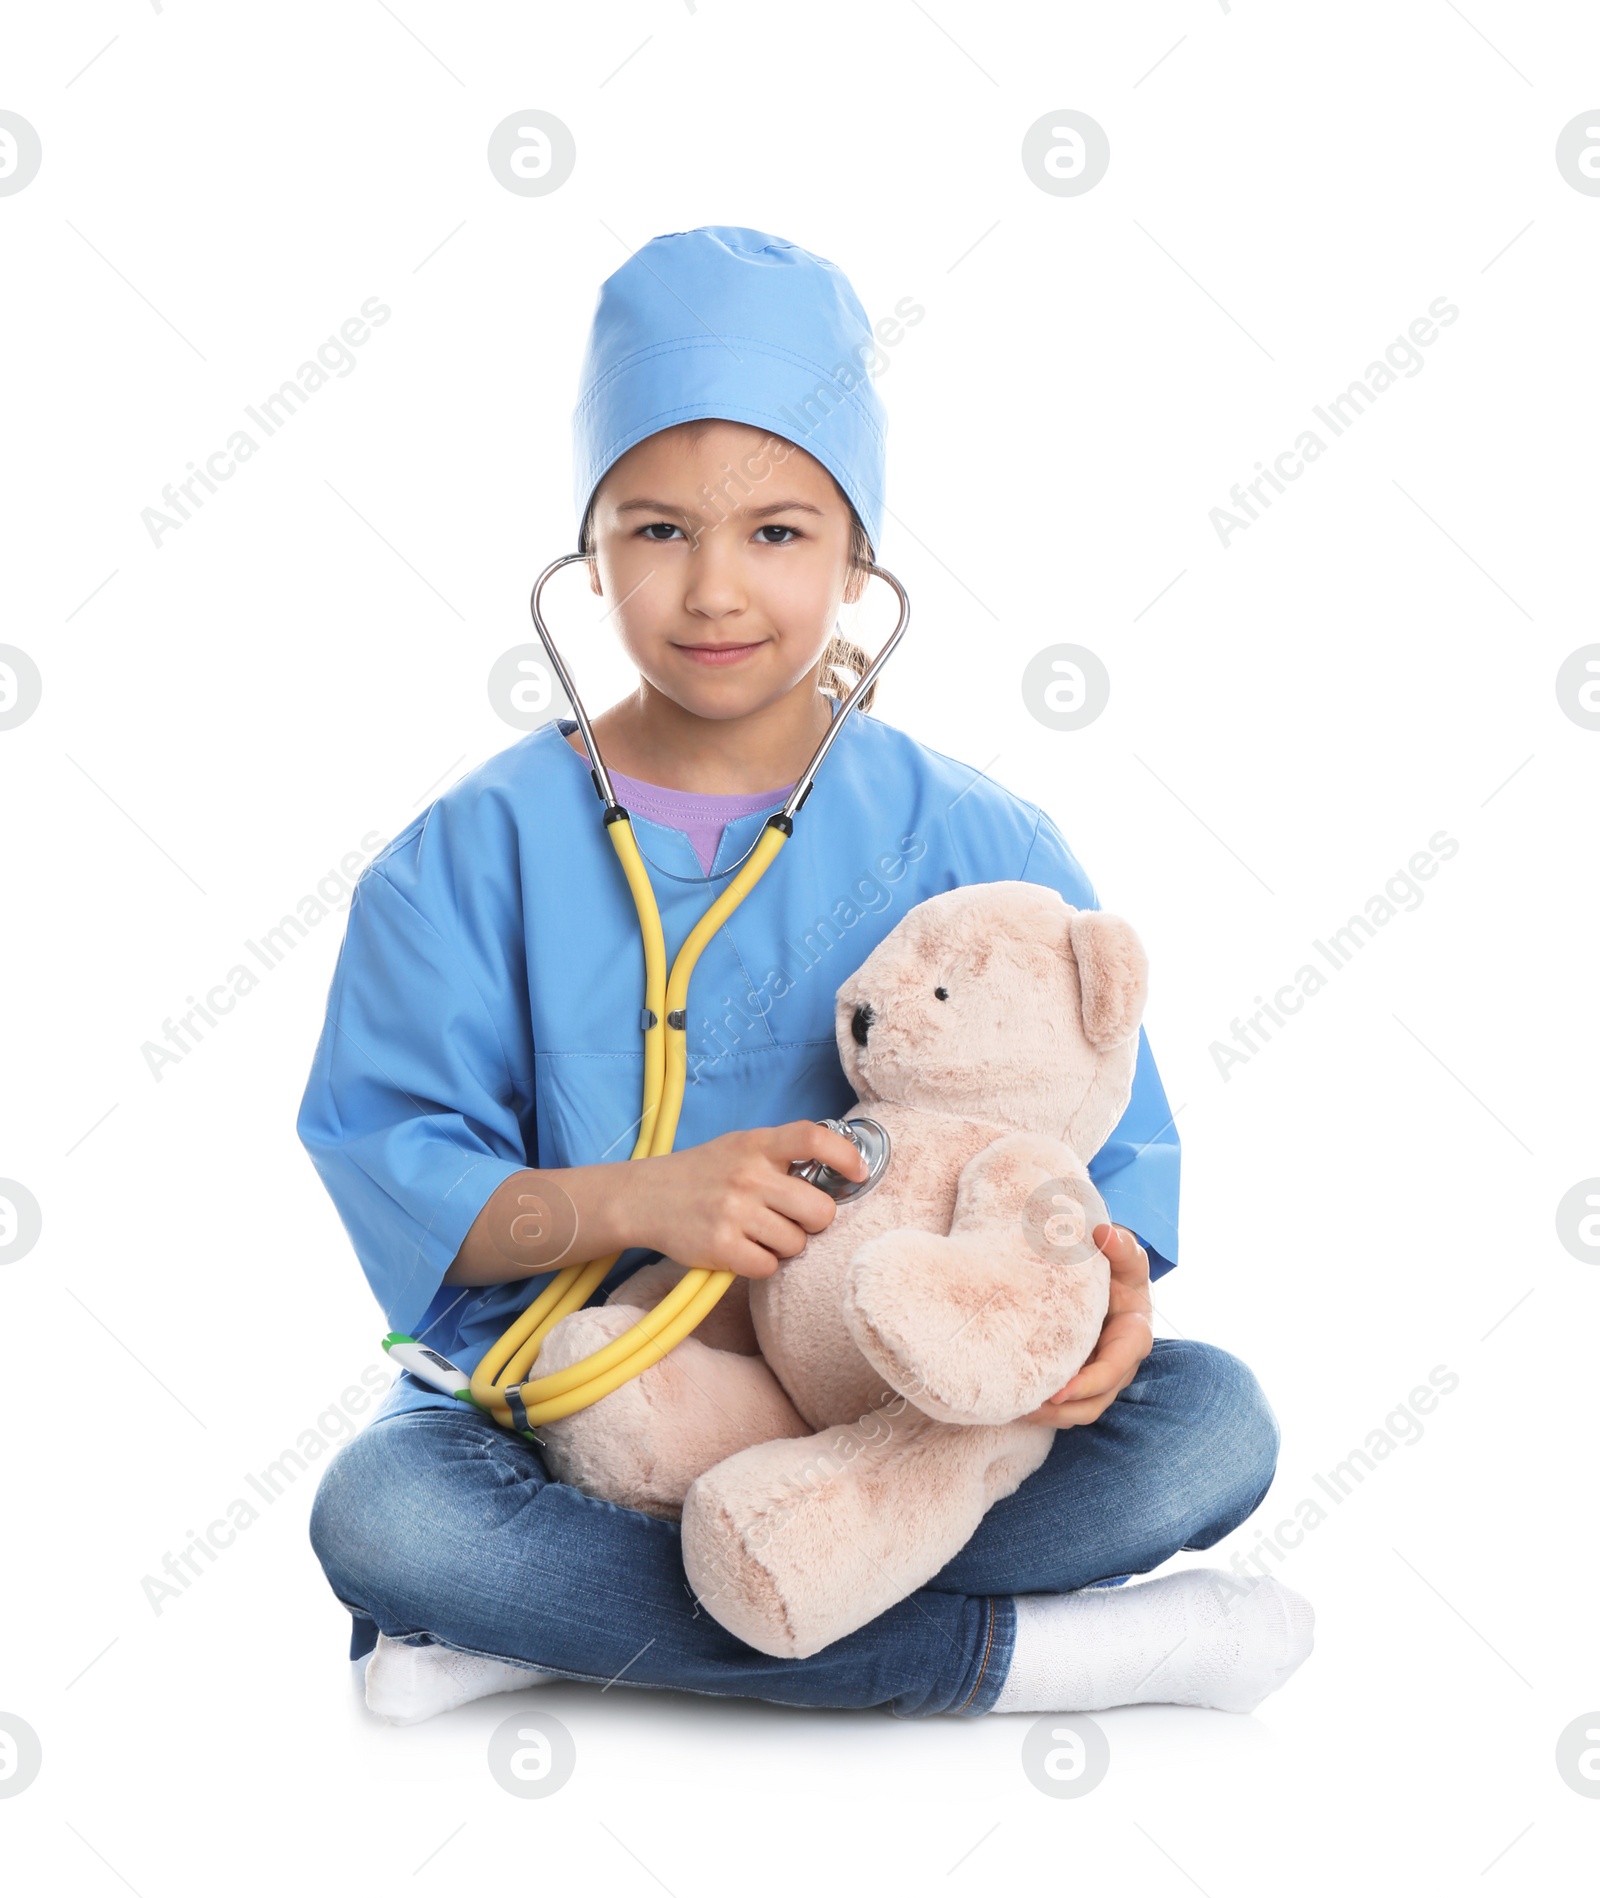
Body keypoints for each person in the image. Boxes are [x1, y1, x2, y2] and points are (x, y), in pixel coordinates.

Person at [300, 225, 1314, 1725]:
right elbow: (395, 1153)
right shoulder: (464, 856)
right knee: (386, 1515)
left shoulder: (978, 836)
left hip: (890, 1412)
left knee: (1212, 1425)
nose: (714, 588)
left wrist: (1105, 1307)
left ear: (858, 561)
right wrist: (639, 1201)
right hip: (576, 1404)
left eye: (777, 531)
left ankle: (561, 1620)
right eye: (657, 529)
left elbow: (1112, 1150)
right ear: (590, 551)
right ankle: (1032, 1656)